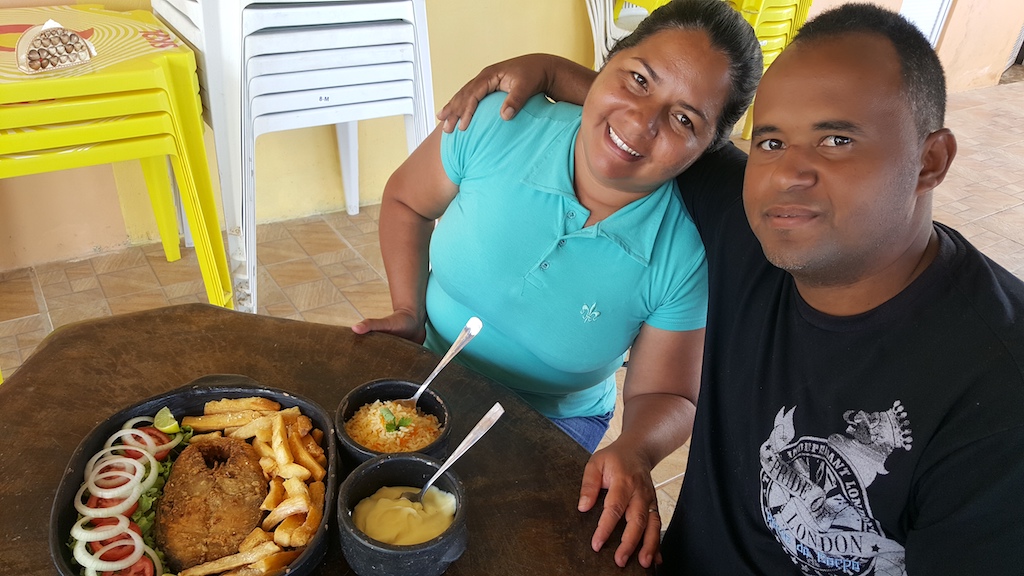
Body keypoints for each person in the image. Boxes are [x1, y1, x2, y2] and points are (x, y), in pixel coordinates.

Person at [438, 4, 1024, 575]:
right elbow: (645, 122)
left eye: (836, 140)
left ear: (930, 160)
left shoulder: (998, 399)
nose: (788, 174)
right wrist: (542, 69)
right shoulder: (751, 224)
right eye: (770, 142)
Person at [352, 0, 762, 568]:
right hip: (428, 370)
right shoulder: (499, 122)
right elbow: (406, 201)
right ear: (606, 63)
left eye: (684, 120)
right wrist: (407, 309)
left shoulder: (685, 253)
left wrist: (635, 448)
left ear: (707, 150)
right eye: (638, 79)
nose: (640, 122)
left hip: (552, 421)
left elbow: (667, 395)